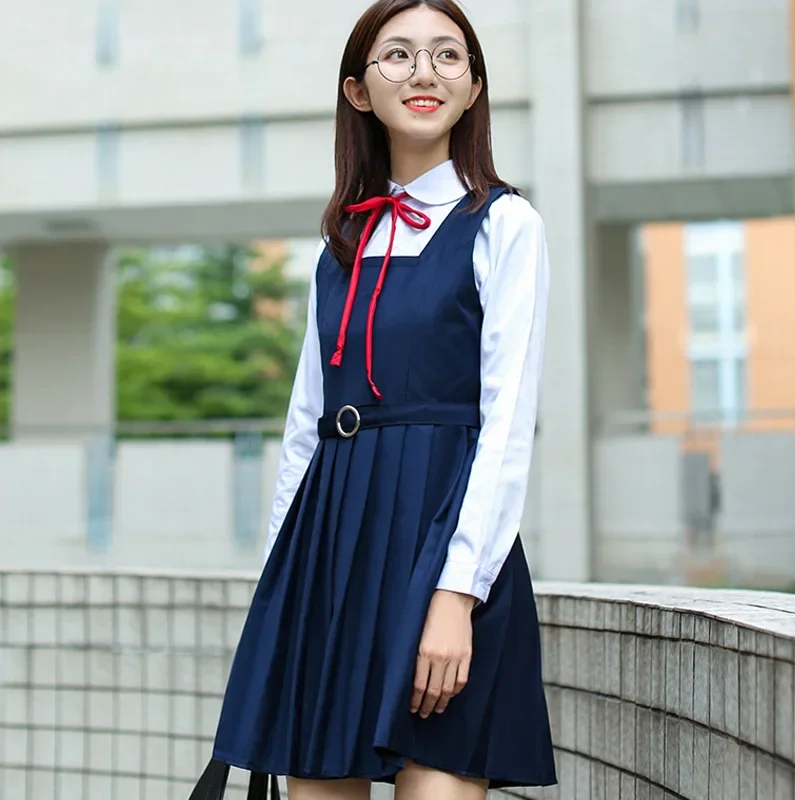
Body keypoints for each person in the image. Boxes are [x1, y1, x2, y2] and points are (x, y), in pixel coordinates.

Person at [190, 1, 556, 798]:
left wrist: (458, 595)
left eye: (447, 57)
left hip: (445, 542)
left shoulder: (505, 226)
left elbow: (506, 426)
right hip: (333, 550)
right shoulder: (340, 246)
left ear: (473, 88)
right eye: (399, 56)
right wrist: (280, 597)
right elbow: (303, 434)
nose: (424, 72)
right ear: (359, 91)